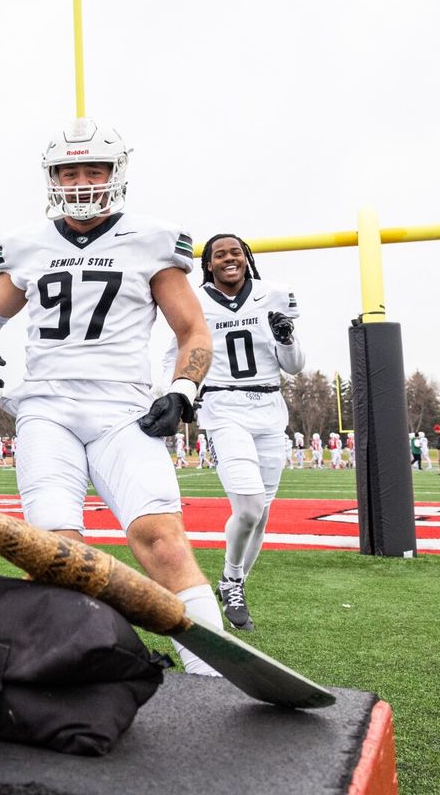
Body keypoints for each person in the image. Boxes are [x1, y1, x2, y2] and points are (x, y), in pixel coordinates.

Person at [0, 117, 221, 674]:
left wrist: (183, 390)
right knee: (57, 554)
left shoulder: (151, 238)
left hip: (124, 410)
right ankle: (83, 666)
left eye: (91, 169)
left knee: (162, 541)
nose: (79, 181)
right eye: (67, 171)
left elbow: (192, 329)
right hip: (46, 409)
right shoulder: (27, 243)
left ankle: (213, 673)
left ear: (115, 172)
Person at [174, 234, 304, 631]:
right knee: (248, 507)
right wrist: (179, 393)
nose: (229, 258)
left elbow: (294, 366)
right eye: (220, 255)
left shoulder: (274, 295)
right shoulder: (193, 301)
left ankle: (234, 582)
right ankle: (232, 579)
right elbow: (177, 351)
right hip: (223, 407)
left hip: (269, 408)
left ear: (246, 258)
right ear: (208, 264)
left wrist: (287, 337)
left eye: (236, 252)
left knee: (261, 516)